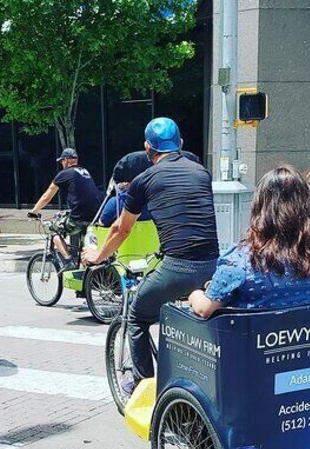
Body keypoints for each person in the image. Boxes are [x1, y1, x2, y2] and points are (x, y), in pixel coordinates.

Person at [81, 117, 219, 393]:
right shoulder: (201, 173)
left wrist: (97, 256)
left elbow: (121, 229)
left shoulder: (143, 180)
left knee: (137, 316)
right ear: (180, 143)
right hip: (213, 266)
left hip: (177, 267)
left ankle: (143, 385)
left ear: (147, 148)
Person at [189, 165, 310, 318]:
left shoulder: (243, 260)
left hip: (255, 340)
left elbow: (205, 309)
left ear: (260, 208)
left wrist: (195, 295)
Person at [28, 148, 103, 269]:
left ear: (67, 161)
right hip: (94, 217)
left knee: (53, 230)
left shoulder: (64, 174)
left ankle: (68, 262)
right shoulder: (84, 171)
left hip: (78, 218)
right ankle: (85, 282)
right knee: (85, 251)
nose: (62, 163)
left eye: (62, 161)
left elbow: (47, 196)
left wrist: (33, 211)